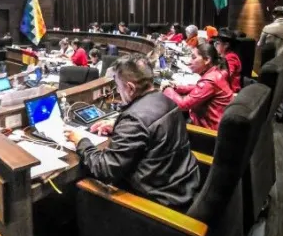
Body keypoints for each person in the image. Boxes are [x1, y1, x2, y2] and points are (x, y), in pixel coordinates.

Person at [66, 55, 202, 212]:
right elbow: (150, 129)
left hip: (156, 205)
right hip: (182, 187)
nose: (117, 91)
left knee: (80, 190)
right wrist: (117, 126)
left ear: (130, 88)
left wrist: (81, 141)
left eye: (117, 87)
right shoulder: (167, 100)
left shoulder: (134, 120)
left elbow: (104, 169)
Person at [161, 42, 233, 130]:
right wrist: (177, 88)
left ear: (207, 60)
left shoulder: (210, 81)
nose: (190, 61)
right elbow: (198, 87)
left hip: (207, 133)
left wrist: (166, 88)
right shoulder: (215, 73)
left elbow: (183, 105)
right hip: (214, 125)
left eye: (193, 58)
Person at [213, 29, 241, 93]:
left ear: (226, 45)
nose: (215, 45)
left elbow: (225, 76)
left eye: (217, 43)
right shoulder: (222, 56)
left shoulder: (231, 57)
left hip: (231, 92)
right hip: (223, 89)